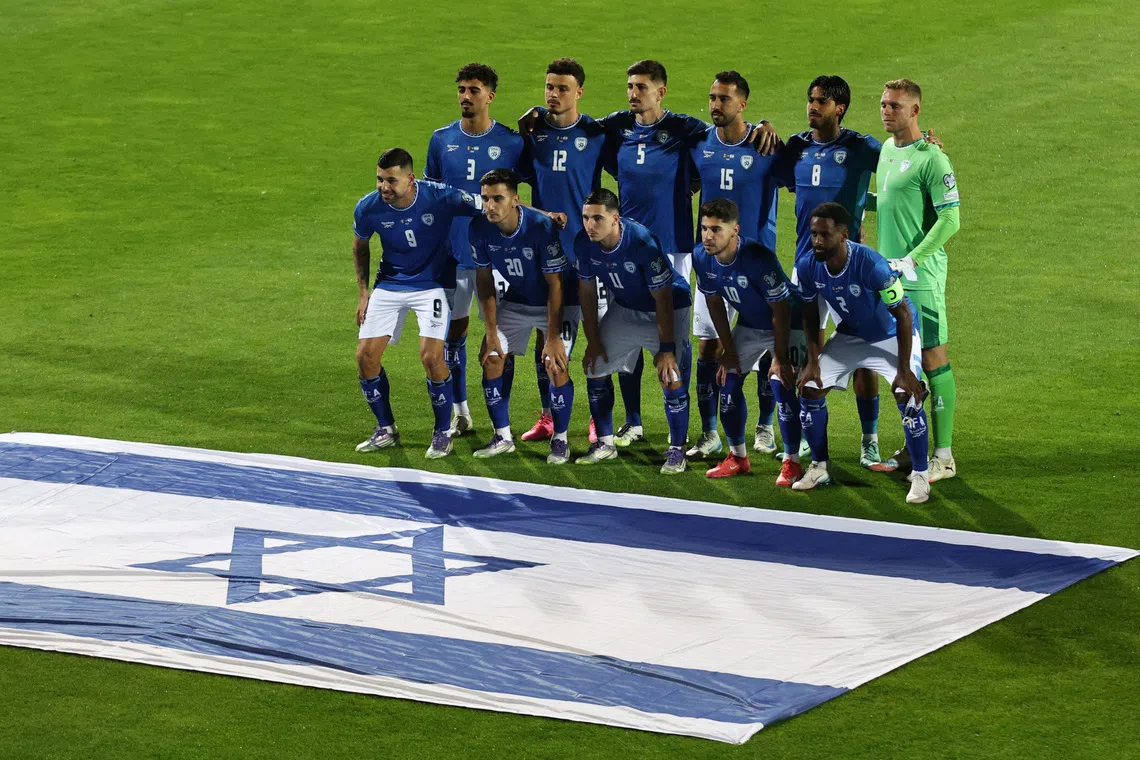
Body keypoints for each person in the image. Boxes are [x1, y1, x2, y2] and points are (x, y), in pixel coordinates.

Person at [792, 203, 931, 504]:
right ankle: (819, 467)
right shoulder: (807, 266)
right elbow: (809, 314)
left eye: (823, 235)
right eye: (813, 234)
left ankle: (921, 475)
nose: (816, 241)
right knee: (810, 389)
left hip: (892, 335)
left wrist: (905, 370)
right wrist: (812, 363)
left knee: (907, 395)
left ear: (843, 236)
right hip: (851, 335)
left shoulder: (872, 265)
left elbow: (904, 315)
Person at [352, 148, 482, 460]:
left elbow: (492, 206)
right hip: (390, 283)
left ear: (411, 178)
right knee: (365, 357)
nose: (384, 187)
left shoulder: (440, 197)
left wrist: (544, 218)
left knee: (431, 357)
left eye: (391, 181)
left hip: (432, 286)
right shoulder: (368, 207)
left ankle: (442, 432)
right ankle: (386, 429)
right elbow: (360, 245)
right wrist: (363, 291)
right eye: (380, 180)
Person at [425, 62, 528, 438]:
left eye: (474, 90)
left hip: (498, 258)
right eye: (461, 90)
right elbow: (431, 196)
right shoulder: (441, 140)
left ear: (490, 95)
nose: (466, 97)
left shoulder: (513, 142)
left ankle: (502, 423)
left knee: (500, 336)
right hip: (451, 254)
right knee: (454, 333)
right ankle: (460, 412)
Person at [687, 71, 782, 461]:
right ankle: (710, 431)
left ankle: (765, 427)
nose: (715, 106)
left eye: (724, 99)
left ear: (742, 104)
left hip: (757, 267)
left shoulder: (768, 147)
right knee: (709, 350)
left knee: (763, 352)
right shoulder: (698, 144)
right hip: (711, 264)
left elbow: (815, 176)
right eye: (711, 98)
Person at [872, 78, 961, 481]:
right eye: (883, 104)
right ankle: (916, 447)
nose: (886, 111)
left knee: (932, 358)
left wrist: (913, 259)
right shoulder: (888, 150)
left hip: (921, 276)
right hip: (891, 276)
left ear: (915, 110)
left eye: (894, 105)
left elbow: (950, 219)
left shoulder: (933, 159)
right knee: (904, 364)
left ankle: (944, 456)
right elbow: (890, 202)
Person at [517, 57, 609, 445]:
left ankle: (595, 419)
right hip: (544, 253)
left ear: (580, 92)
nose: (553, 95)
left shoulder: (598, 134)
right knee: (546, 336)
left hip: (588, 253)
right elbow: (511, 190)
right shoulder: (532, 135)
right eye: (549, 87)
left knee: (596, 336)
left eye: (562, 89)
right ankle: (549, 415)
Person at [574, 189, 693, 474]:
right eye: (586, 218)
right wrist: (592, 340)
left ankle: (677, 451)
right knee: (595, 366)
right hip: (626, 307)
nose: (590, 225)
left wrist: (665, 350)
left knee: (671, 377)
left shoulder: (641, 241)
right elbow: (587, 294)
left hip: (667, 308)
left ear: (616, 219)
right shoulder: (584, 243)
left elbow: (663, 297)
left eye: (597, 219)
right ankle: (604, 443)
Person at [691, 200, 806, 484]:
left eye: (716, 229)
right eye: (704, 228)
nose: (708, 236)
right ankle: (737, 457)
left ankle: (792, 462)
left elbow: (780, 308)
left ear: (735, 231)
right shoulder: (701, 256)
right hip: (751, 324)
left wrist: (779, 358)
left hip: (789, 322)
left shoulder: (757, 256)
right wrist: (729, 350)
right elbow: (714, 302)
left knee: (782, 383)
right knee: (727, 381)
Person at [469, 169, 577, 463]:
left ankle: (561, 439)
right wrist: (491, 330)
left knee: (555, 363)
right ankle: (502, 436)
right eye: (485, 199)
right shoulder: (479, 228)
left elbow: (555, 284)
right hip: (516, 301)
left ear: (516, 200)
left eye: (498, 199)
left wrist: (552, 338)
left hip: (558, 303)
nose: (490, 206)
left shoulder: (540, 227)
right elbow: (484, 281)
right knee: (491, 356)